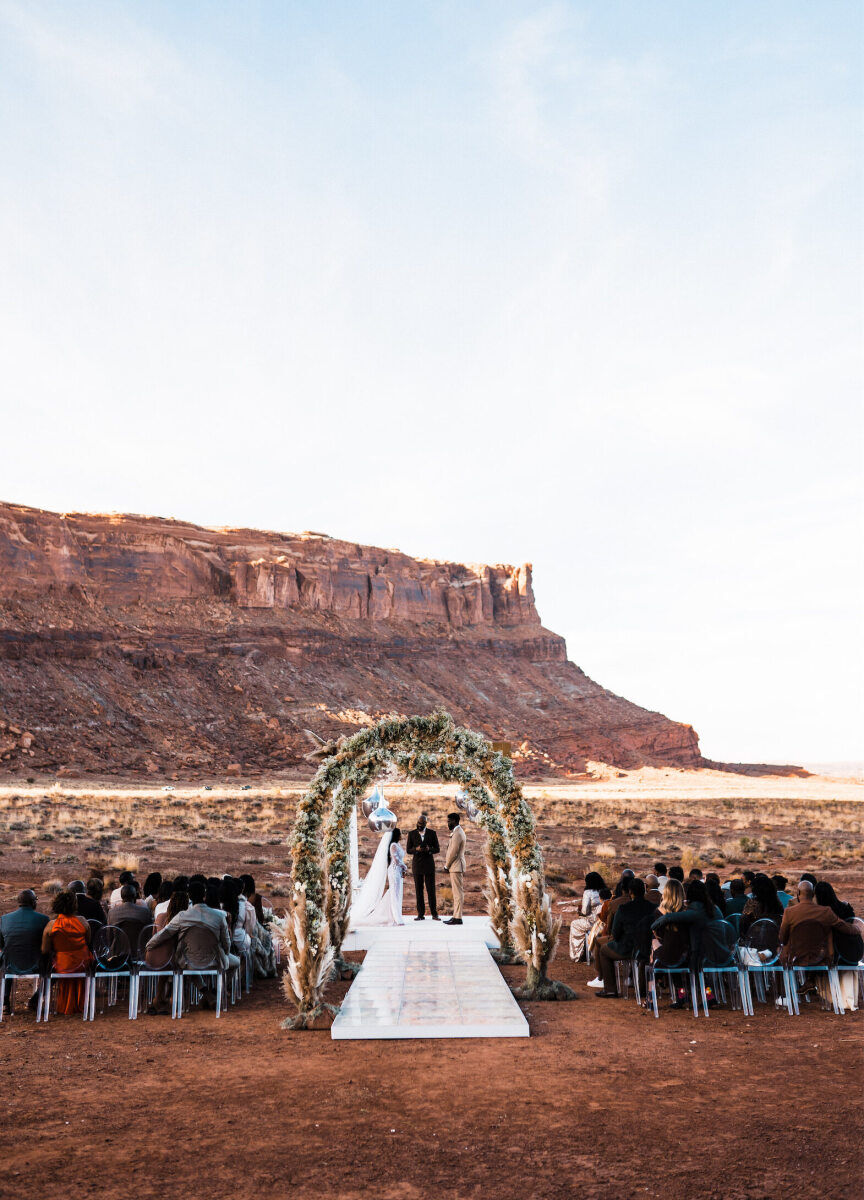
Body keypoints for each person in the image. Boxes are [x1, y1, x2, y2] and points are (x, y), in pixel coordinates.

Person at [145, 880, 239, 991]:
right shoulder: (219, 916)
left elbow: (164, 934)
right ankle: (219, 991)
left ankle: (205, 991)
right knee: (236, 962)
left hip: (188, 961)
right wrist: (225, 953)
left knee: (186, 960)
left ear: (189, 897)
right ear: (204, 896)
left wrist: (149, 945)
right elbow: (226, 943)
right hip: (214, 960)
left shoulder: (182, 916)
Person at [595, 878, 656, 998]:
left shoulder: (623, 909)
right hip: (648, 948)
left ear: (630, 892)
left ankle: (610, 989)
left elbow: (615, 933)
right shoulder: (653, 907)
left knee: (603, 950)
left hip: (628, 948)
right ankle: (644, 989)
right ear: (644, 890)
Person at [778, 880, 857, 968]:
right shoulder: (826, 911)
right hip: (821, 962)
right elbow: (842, 926)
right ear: (813, 894)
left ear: (798, 893)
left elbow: (782, 938)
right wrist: (856, 929)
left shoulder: (789, 912)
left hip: (797, 962)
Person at [41, 890, 92, 1014]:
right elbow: (88, 942)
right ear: (74, 905)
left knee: (52, 962)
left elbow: (45, 950)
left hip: (62, 965)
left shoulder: (51, 925)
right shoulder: (83, 921)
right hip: (82, 964)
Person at [0, 890, 49, 1012]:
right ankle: (36, 998)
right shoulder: (43, 919)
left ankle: (5, 1001)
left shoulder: (4, 919)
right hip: (36, 966)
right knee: (52, 968)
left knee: (7, 955)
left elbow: (2, 945)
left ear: (19, 902)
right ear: (33, 903)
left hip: (10, 966)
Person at [366, 828, 409, 926]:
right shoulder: (393, 845)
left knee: (397, 893)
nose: (401, 835)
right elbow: (396, 860)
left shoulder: (398, 845)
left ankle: (396, 915)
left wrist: (402, 870)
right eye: (400, 834)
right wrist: (405, 867)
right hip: (394, 871)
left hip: (398, 871)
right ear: (397, 835)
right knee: (394, 893)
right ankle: (396, 918)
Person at [405, 813, 441, 921]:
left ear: (425, 823)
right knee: (418, 890)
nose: (419, 825)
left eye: (421, 823)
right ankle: (420, 914)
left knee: (431, 890)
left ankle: (434, 914)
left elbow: (437, 849)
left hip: (429, 865)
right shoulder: (411, 834)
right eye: (418, 823)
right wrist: (416, 849)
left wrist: (429, 849)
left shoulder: (432, 833)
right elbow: (408, 850)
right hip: (417, 866)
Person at [569, 871, 606, 961]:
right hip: (603, 923)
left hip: (592, 922)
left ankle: (578, 955)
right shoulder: (605, 890)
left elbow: (585, 911)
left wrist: (578, 911)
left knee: (574, 924)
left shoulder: (588, 892)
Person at [108, 884, 153, 949]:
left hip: (118, 954)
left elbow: (109, 936)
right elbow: (149, 934)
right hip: (139, 953)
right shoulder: (145, 912)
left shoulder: (112, 913)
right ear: (135, 897)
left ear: (122, 897)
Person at [444, 812, 467, 926]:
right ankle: (456, 916)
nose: (448, 823)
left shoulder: (457, 833)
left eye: (449, 821)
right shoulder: (457, 832)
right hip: (456, 866)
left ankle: (458, 917)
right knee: (456, 893)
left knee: (458, 893)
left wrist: (446, 865)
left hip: (456, 866)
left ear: (454, 821)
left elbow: (453, 852)